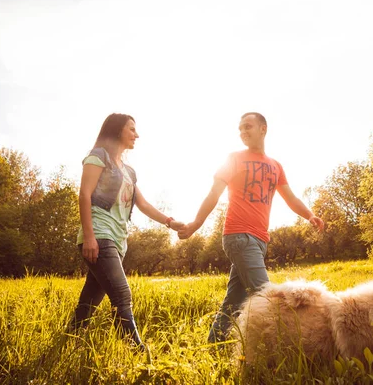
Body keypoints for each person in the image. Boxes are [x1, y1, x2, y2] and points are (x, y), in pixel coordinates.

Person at [178, 112, 324, 344]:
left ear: (263, 129)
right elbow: (214, 193)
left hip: (259, 240)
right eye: (240, 129)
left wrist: (310, 215)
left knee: (233, 300)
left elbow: (290, 197)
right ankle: (283, 350)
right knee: (267, 296)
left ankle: (214, 345)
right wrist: (196, 223)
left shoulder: (275, 166)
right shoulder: (234, 159)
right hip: (239, 236)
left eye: (248, 127)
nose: (243, 132)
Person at [69, 113, 184, 352]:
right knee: (122, 295)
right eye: (132, 129)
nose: (136, 134)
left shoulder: (129, 171)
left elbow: (143, 204)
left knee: (90, 300)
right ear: (117, 130)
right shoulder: (98, 156)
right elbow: (84, 195)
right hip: (100, 235)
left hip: (118, 240)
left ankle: (70, 339)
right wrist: (89, 236)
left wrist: (170, 222)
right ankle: (138, 352)